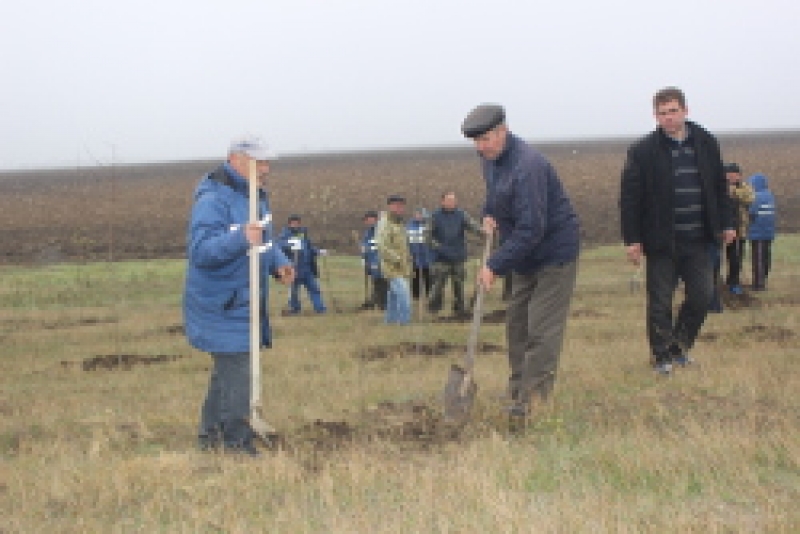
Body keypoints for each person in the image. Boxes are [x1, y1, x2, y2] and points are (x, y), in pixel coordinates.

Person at [461, 104, 580, 418]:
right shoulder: (490, 159)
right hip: (524, 255)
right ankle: (517, 393)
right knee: (517, 325)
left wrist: (495, 264)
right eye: (476, 142)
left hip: (553, 253)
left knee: (541, 329)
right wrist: (489, 213)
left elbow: (532, 227)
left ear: (503, 130)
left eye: (486, 139)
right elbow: (496, 194)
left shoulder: (528, 165)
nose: (481, 147)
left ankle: (533, 403)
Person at [183, 136, 294, 456]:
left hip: (246, 299)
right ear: (236, 159)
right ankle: (236, 445)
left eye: (267, 162)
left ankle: (210, 437)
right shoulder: (213, 200)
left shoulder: (253, 197)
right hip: (221, 302)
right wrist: (240, 239)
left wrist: (280, 264)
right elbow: (201, 252)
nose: (267, 169)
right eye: (260, 162)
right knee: (239, 373)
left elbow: (264, 243)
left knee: (227, 373)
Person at [620, 87, 734, 375]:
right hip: (662, 241)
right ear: (655, 116)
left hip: (698, 239)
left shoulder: (706, 142)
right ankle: (661, 358)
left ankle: (679, 348)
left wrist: (727, 222)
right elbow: (630, 198)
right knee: (660, 301)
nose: (669, 118)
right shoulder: (643, 151)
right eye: (663, 113)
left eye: (673, 111)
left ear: (685, 110)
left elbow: (719, 187)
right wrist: (633, 239)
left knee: (702, 296)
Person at [427, 192, 484, 316]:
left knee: (459, 285)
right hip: (441, 259)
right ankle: (433, 309)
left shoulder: (461, 215)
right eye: (449, 200)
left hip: (458, 257)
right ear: (442, 201)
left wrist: (483, 232)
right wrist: (439, 248)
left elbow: (473, 226)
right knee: (438, 285)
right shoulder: (435, 216)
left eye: (453, 200)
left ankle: (459, 309)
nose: (452, 203)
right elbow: (428, 237)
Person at [277, 214, 327, 314]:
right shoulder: (284, 235)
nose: (295, 225)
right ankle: (295, 308)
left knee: (314, 288)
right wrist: (290, 245)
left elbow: (309, 247)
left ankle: (320, 309)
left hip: (306, 268)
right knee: (294, 290)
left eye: (297, 223)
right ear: (289, 224)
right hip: (293, 267)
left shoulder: (303, 233)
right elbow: (279, 246)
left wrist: (319, 251)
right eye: (293, 223)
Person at [376, 195, 412, 324]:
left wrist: (407, 258)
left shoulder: (399, 223)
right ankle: (404, 323)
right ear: (390, 206)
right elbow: (382, 246)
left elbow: (403, 245)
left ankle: (390, 322)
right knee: (404, 295)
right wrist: (396, 259)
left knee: (393, 296)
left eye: (402, 206)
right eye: (397, 206)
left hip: (402, 267)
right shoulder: (385, 223)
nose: (400, 208)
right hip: (391, 267)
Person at [723, 163, 755, 295]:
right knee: (716, 257)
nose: (731, 178)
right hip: (721, 229)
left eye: (733, 176)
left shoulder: (745, 188)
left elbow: (750, 198)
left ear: (739, 176)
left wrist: (734, 192)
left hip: (739, 229)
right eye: (728, 176)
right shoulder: (720, 188)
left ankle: (734, 282)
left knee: (736, 257)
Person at [746, 173, 776, 290]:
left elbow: (751, 213)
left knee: (758, 258)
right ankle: (763, 278)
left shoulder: (755, 196)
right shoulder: (770, 195)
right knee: (765, 256)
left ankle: (758, 284)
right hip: (768, 232)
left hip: (758, 233)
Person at [360, 210, 388, 310]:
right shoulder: (368, 232)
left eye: (368, 220)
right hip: (372, 262)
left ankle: (383, 304)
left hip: (380, 262)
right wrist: (364, 259)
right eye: (365, 221)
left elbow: (379, 248)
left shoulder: (380, 230)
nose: (366, 222)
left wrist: (377, 262)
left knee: (382, 283)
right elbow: (365, 247)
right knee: (376, 283)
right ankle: (376, 302)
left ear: (374, 219)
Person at [406, 207, 433, 300]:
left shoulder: (428, 225)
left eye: (420, 214)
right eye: (416, 214)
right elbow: (406, 240)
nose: (418, 216)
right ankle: (416, 295)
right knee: (415, 276)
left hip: (427, 255)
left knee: (428, 275)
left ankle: (429, 294)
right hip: (414, 255)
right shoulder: (409, 225)